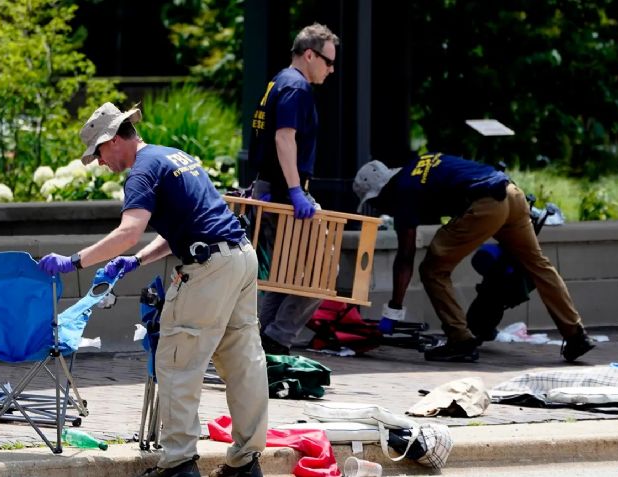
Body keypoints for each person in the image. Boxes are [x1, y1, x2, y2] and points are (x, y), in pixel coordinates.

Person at [38, 103, 268, 477]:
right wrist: (139, 261)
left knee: (177, 361)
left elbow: (128, 231)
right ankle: (245, 463)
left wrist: (74, 261)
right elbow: (186, 224)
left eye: (97, 152)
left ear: (113, 140)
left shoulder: (141, 172)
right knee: (244, 362)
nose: (99, 162)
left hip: (208, 269)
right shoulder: (174, 157)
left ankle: (178, 463)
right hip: (240, 258)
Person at [352, 155, 597, 362]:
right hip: (511, 193)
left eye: (375, 201)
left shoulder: (401, 191)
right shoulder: (418, 166)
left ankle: (460, 340)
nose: (381, 207)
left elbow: (405, 256)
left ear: (381, 192)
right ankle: (576, 335)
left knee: (432, 270)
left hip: (486, 202)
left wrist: (394, 309)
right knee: (537, 265)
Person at [248, 22, 340, 355]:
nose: (331, 69)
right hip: (286, 190)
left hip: (272, 187)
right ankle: (277, 336)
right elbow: (284, 138)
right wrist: (295, 191)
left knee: (287, 272)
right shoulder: (296, 87)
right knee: (322, 270)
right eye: (328, 62)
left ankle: (262, 339)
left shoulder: (278, 82)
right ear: (310, 54)